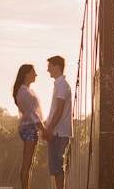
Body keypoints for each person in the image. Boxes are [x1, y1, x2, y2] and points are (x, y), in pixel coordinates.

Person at [13, 64, 44, 189]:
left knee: (29, 164)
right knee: (26, 164)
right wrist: (43, 129)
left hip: (30, 128)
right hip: (29, 128)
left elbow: (34, 112)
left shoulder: (26, 90)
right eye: (33, 72)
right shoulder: (24, 91)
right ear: (26, 74)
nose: (36, 75)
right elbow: (32, 113)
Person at [43, 55, 73, 189]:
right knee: (56, 166)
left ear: (57, 67)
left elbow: (59, 110)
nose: (47, 69)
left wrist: (49, 128)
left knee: (57, 165)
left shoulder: (61, 85)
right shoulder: (60, 84)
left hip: (58, 132)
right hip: (58, 131)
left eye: (49, 66)